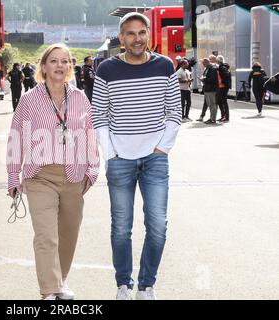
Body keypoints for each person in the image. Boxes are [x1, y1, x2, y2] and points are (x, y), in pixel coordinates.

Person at [92, 12, 181, 300]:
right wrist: (112, 153)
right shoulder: (106, 70)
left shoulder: (165, 65)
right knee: (121, 227)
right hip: (120, 160)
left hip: (155, 158)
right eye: (130, 33)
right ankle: (123, 285)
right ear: (122, 38)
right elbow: (99, 116)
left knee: (157, 225)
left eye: (141, 32)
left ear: (149, 35)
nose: (137, 38)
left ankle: (146, 285)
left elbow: (174, 113)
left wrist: (161, 148)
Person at [6, 43, 100, 300]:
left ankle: (61, 280)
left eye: (65, 61)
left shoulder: (80, 98)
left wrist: (92, 170)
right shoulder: (29, 99)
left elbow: (90, 135)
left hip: (74, 175)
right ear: (44, 67)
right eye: (54, 61)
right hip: (40, 176)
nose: (60, 65)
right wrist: (14, 177)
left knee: (68, 234)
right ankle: (49, 290)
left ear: (70, 66)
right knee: (46, 235)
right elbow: (16, 139)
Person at [199, 57, 218, 124]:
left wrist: (204, 79)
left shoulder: (212, 69)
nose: (203, 65)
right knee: (210, 104)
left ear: (207, 62)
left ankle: (212, 119)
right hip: (207, 88)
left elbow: (212, 79)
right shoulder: (208, 68)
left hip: (211, 89)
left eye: (204, 63)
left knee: (212, 104)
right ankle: (212, 118)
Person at [216, 55, 231, 122]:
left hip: (223, 87)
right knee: (220, 101)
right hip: (222, 86)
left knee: (223, 102)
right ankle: (223, 116)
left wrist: (221, 81)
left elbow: (226, 76)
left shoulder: (222, 67)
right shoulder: (222, 67)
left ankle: (226, 117)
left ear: (218, 61)